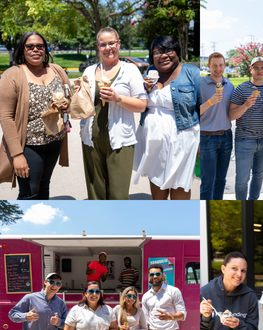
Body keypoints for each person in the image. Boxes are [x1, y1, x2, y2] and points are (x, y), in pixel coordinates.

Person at [78, 26, 148, 200]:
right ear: (98, 47)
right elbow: (84, 104)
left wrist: (118, 98)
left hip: (120, 140)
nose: (108, 48)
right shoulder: (89, 71)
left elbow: (142, 105)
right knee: (96, 194)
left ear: (118, 44)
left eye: (112, 43)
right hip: (91, 139)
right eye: (103, 44)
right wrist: (78, 93)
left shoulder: (130, 70)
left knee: (118, 195)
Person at [0, 31, 70, 199]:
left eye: (40, 46)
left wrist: (66, 104)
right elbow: (6, 116)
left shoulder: (57, 70)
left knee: (44, 186)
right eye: (30, 46)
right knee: (29, 192)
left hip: (54, 141)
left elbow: (69, 96)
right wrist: (17, 155)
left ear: (45, 49)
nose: (35, 50)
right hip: (29, 145)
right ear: (22, 50)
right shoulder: (13, 75)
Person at [134, 36, 200, 200]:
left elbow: (204, 107)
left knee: (179, 187)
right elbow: (141, 103)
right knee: (157, 192)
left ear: (177, 52)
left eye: (167, 50)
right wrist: (145, 89)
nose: (163, 56)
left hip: (182, 141)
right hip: (152, 142)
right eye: (157, 52)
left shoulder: (192, 73)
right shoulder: (150, 72)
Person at [228, 56, 263, 200]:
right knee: (242, 179)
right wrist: (246, 105)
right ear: (250, 70)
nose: (259, 70)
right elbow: (231, 115)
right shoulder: (241, 89)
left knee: (259, 176)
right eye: (256, 67)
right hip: (245, 140)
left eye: (262, 67)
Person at [200, 52, 234, 200]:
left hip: (226, 136)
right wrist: (210, 102)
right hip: (207, 137)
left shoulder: (230, 85)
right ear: (209, 66)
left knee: (221, 180)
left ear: (225, 66)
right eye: (214, 65)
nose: (218, 68)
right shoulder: (200, 84)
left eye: (221, 65)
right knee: (208, 182)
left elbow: (232, 111)